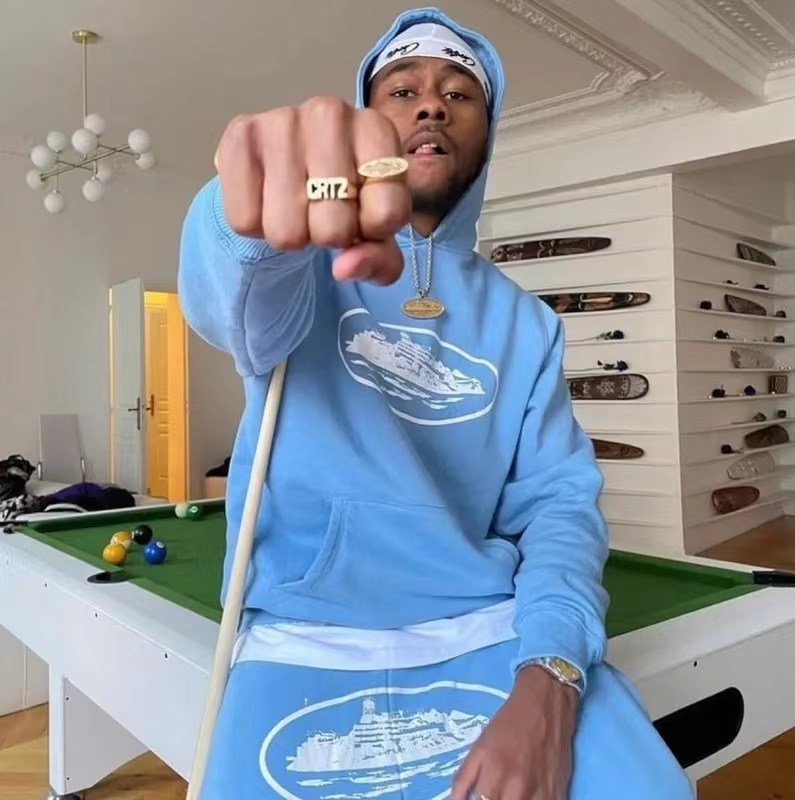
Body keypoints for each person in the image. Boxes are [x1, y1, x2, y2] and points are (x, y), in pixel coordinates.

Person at [178, 7, 694, 800]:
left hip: (490, 628)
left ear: (487, 134)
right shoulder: (301, 266)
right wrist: (239, 209)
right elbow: (228, 298)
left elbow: (559, 508)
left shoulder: (527, 324)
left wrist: (551, 671)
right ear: (365, 121)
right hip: (302, 635)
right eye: (403, 89)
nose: (430, 106)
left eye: (459, 94)